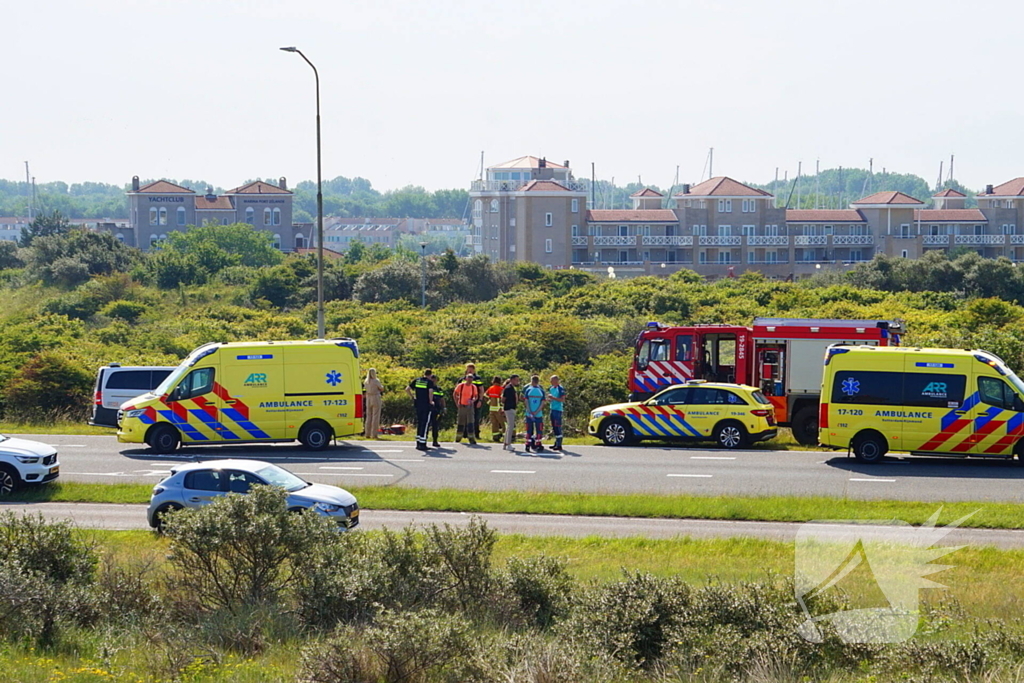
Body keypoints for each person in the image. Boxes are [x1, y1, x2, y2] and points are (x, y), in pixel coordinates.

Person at [405, 369, 436, 451]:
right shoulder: (429, 382)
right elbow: (430, 392)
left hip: (418, 404)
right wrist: (431, 401)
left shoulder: (417, 380)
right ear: (430, 375)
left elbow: (407, 389)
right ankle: (422, 443)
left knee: (419, 422)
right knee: (425, 423)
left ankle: (418, 442)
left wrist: (413, 397)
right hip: (426, 404)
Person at [522, 374, 547, 453]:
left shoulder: (528, 390)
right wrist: (537, 411)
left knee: (529, 429)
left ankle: (528, 444)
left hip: (529, 413)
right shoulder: (541, 391)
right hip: (538, 413)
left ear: (532, 381)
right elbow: (542, 403)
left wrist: (529, 410)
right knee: (539, 429)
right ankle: (538, 444)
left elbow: (526, 401)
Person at [452, 373, 479, 444]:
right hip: (461, 406)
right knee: (460, 422)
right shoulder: (460, 386)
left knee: (471, 422)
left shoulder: (474, 387)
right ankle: (458, 438)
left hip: (470, 407)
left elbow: (476, 396)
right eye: (469, 378)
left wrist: (473, 400)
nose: (470, 380)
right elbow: (455, 394)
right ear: (466, 379)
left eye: (471, 379)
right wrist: (457, 403)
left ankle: (471, 438)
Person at [465, 362, 486, 439]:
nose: (470, 371)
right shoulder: (463, 379)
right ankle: (465, 434)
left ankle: (476, 433)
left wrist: (480, 400)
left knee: (476, 417)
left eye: (471, 369)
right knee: (465, 417)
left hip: (475, 401)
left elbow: (481, 390)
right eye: (468, 369)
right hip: (465, 401)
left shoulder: (477, 379)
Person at [362, 369, 384, 439]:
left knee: (369, 416)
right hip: (375, 397)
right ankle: (374, 434)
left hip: (368, 397)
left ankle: (367, 433)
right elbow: (381, 388)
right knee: (375, 416)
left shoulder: (366, 381)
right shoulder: (376, 381)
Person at [547, 375, 567, 451]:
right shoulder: (551, 388)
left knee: (557, 426)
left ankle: (559, 444)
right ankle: (556, 442)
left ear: (556, 380)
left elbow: (562, 400)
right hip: (552, 408)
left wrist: (553, 398)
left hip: (558, 410)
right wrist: (550, 400)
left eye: (552, 380)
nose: (551, 382)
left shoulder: (560, 388)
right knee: (554, 427)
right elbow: (552, 399)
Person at [502, 374, 520, 451]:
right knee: (510, 426)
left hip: (511, 408)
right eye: (516, 380)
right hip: (509, 408)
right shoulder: (508, 388)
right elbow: (503, 399)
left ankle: (506, 443)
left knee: (509, 426)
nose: (517, 381)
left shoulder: (512, 388)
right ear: (512, 380)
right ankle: (508, 444)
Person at [486, 375, 505, 442]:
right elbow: (502, 399)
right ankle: (506, 436)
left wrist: (489, 402)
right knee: (503, 423)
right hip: (498, 409)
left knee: (494, 424)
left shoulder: (490, 388)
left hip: (491, 409)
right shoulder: (501, 389)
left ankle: (495, 437)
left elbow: (485, 395)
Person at [429, 373, 445, 448]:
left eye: (434, 380)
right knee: (426, 425)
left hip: (436, 409)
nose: (433, 382)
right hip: (428, 409)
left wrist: (444, 408)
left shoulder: (438, 389)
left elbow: (442, 399)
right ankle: (423, 440)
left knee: (435, 426)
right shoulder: (427, 388)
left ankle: (435, 441)